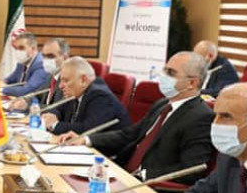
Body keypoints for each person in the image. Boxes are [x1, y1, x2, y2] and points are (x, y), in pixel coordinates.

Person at [58, 52, 214, 185]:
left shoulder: (200, 117)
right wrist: (86, 139)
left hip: (150, 187)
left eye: (171, 73)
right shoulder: (162, 104)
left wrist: (143, 174)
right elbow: (129, 135)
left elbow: (192, 169)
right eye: (165, 70)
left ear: (192, 83)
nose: (163, 76)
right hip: (121, 173)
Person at [41, 56, 130, 135]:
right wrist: (52, 116)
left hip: (105, 148)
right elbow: (59, 109)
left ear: (83, 80)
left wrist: (55, 125)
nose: (60, 86)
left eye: (66, 80)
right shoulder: (76, 91)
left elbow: (86, 130)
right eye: (61, 80)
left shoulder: (100, 96)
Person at [11, 37, 69, 109]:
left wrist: (29, 106)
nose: (47, 60)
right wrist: (25, 101)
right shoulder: (51, 76)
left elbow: (59, 108)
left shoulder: (68, 80)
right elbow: (37, 95)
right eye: (44, 56)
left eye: (50, 56)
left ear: (65, 58)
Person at [0, 32, 49, 98]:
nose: (18, 52)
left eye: (21, 48)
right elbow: (10, 80)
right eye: (16, 48)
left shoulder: (41, 65)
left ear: (33, 49)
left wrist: (2, 88)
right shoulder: (22, 63)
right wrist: (2, 82)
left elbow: (26, 91)